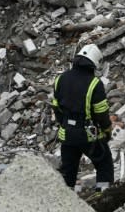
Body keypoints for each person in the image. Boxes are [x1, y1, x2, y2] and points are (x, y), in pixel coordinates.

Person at [51, 44, 114, 191]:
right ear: (94, 64)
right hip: (88, 135)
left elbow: (56, 107)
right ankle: (102, 197)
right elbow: (101, 113)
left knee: (68, 173)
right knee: (104, 165)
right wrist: (106, 130)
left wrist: (64, 123)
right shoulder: (94, 83)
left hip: (66, 134)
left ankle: (65, 203)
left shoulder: (60, 79)